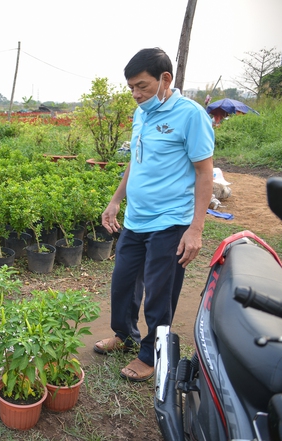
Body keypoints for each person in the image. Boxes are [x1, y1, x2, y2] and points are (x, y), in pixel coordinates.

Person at [94, 48, 214, 382]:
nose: (136, 94)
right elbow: (137, 160)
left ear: (165, 79)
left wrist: (196, 228)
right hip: (136, 219)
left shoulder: (190, 115)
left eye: (142, 86)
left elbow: (205, 174)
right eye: (131, 87)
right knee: (123, 283)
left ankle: (150, 354)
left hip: (172, 222)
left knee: (160, 294)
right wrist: (116, 200)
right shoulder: (141, 114)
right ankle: (124, 334)